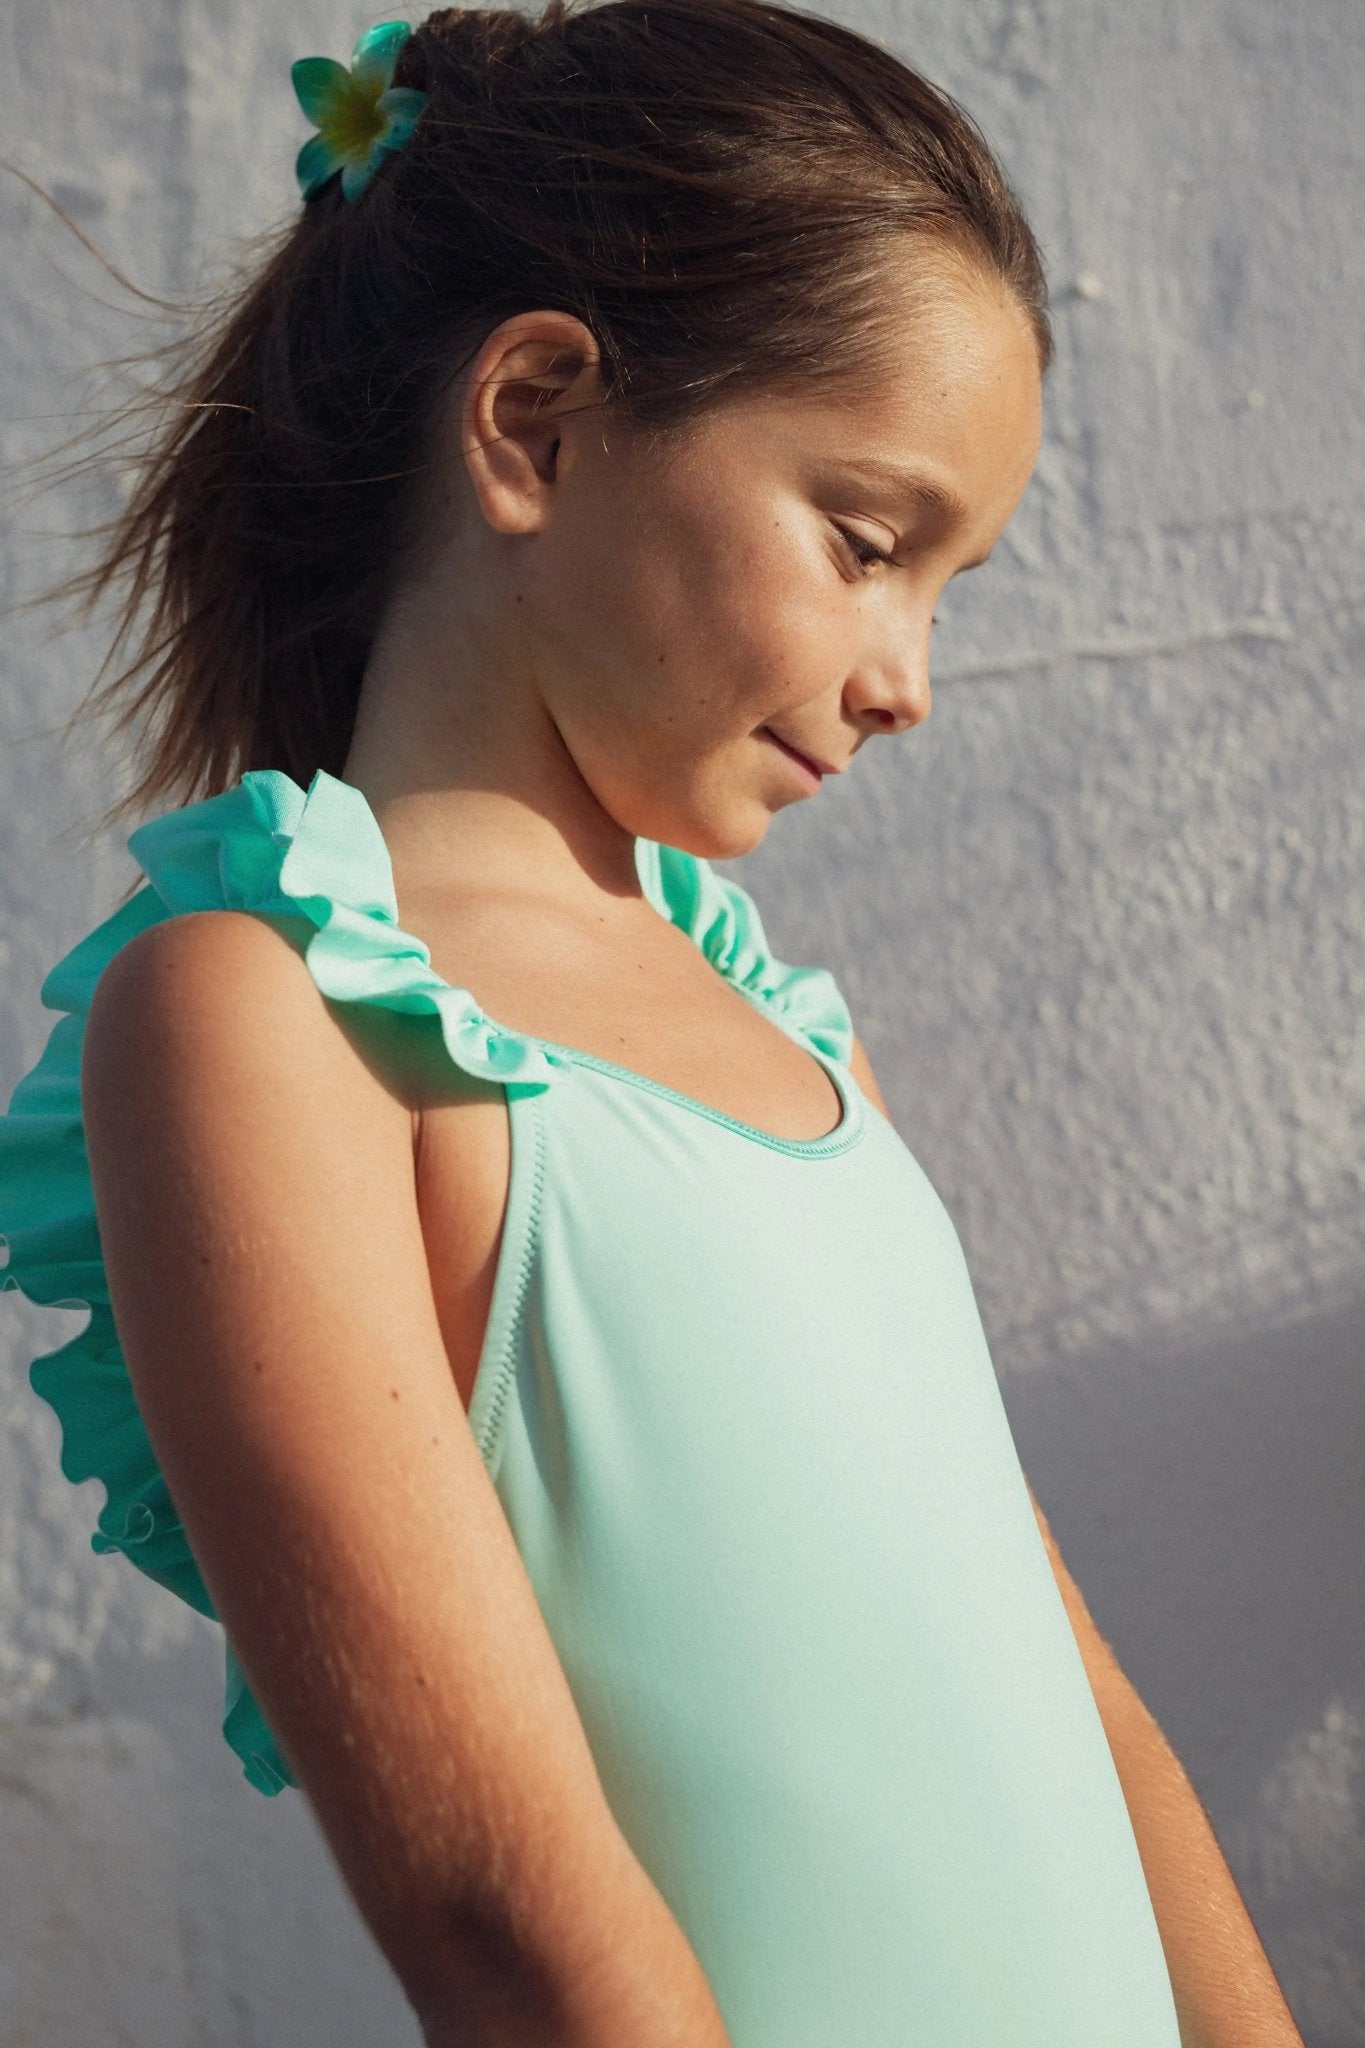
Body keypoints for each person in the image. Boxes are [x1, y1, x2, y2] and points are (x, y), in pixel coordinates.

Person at [0, 4, 1304, 2045]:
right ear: (533, 419)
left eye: (945, 586)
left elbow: (1067, 1694)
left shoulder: (789, 1040)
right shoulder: (275, 1020)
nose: (908, 678)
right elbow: (512, 1930)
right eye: (867, 546)